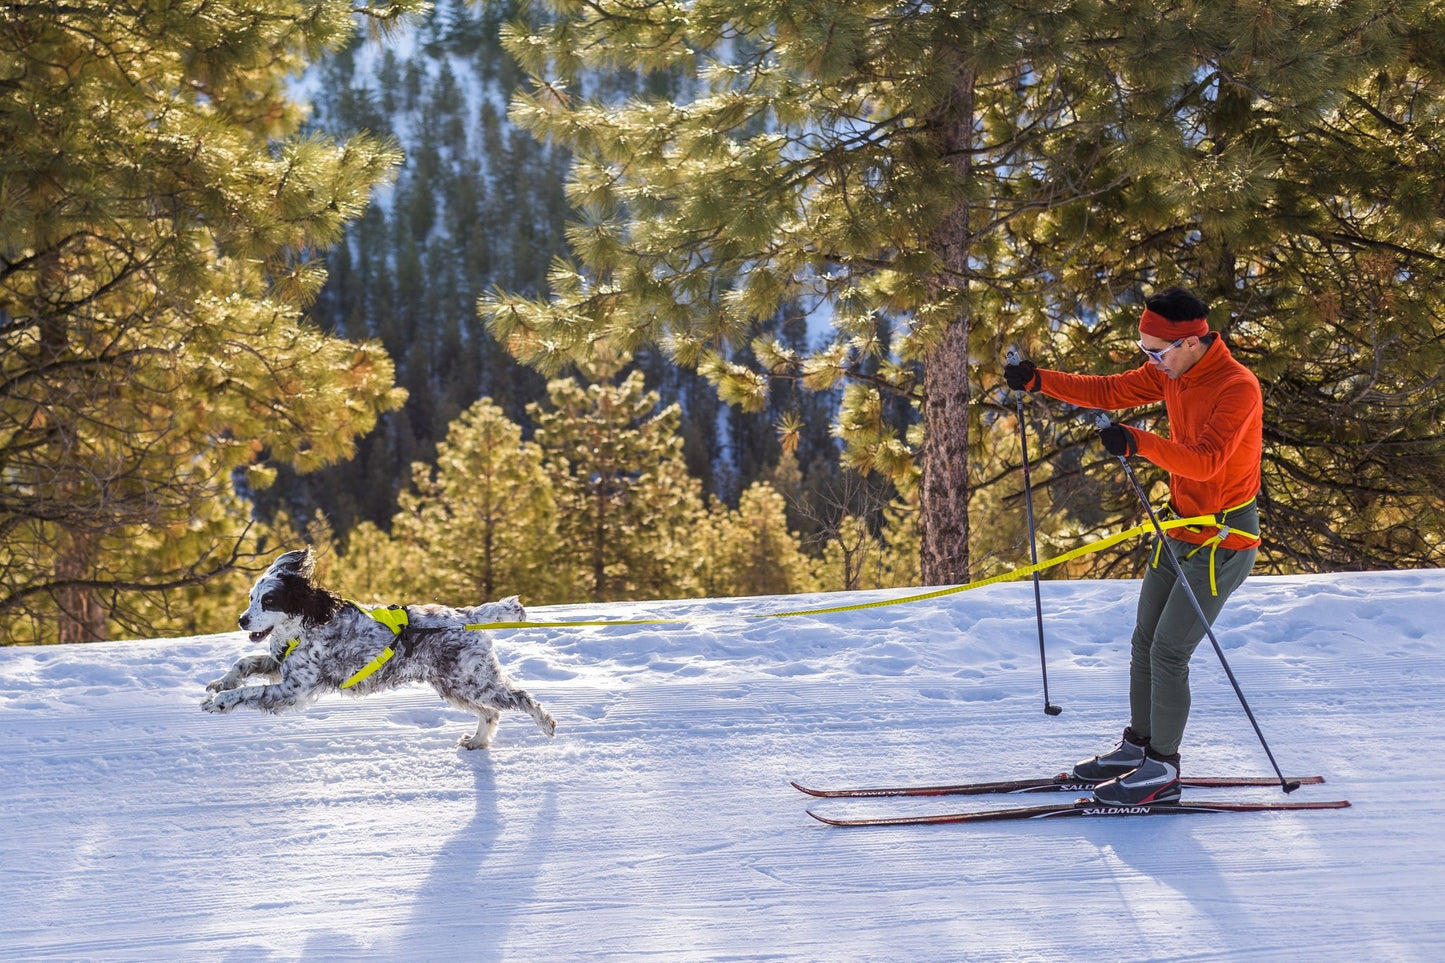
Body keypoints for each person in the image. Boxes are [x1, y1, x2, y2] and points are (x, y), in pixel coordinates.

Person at [1003, 287, 1263, 806]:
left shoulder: (1237, 387)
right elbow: (1110, 390)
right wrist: (1039, 381)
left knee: (1170, 651)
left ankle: (1163, 770)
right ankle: (1138, 747)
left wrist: (1139, 441)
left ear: (1192, 341)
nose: (1149, 362)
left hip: (1224, 539)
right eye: (1144, 351)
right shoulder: (1175, 370)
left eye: (1156, 352)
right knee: (1145, 642)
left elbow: (1207, 461)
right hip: (1179, 529)